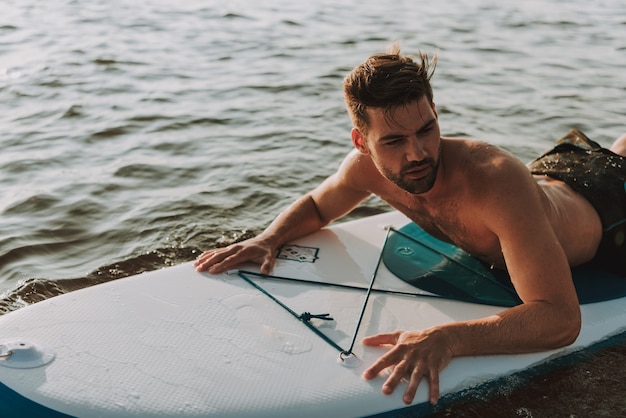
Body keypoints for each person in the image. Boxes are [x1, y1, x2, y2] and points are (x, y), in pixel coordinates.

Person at [195, 45, 626, 406]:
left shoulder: (494, 178)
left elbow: (561, 320)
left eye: (427, 130)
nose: (417, 153)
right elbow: (317, 205)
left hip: (607, 213)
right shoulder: (363, 169)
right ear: (361, 142)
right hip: (555, 178)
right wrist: (271, 238)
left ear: (435, 112)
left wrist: (449, 339)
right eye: (394, 141)